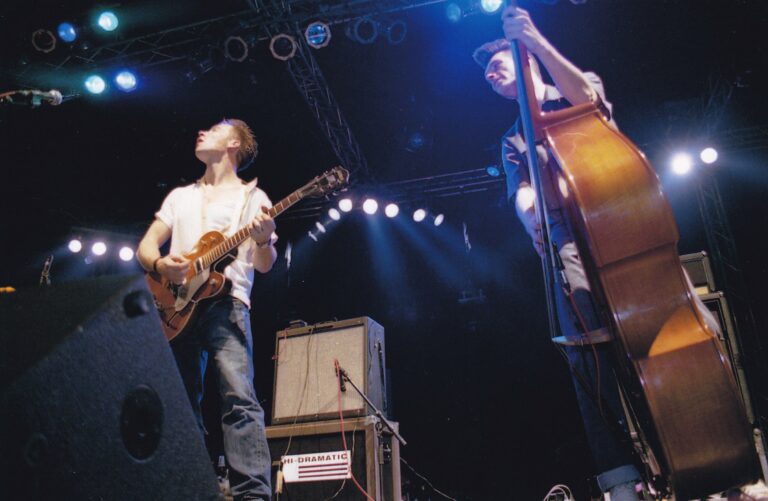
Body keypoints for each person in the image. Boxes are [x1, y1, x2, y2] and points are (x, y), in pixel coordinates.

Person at [473, 6, 644, 501]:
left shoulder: (572, 84)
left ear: (526, 58)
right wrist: (534, 221)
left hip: (620, 224)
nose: (488, 73)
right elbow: (522, 194)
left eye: (497, 60)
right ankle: (621, 481)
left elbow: (590, 100)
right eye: (485, 72)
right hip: (564, 237)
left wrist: (534, 37)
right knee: (585, 355)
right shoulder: (511, 139)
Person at [137, 118, 277, 501]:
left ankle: (252, 494)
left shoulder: (254, 198)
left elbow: (264, 263)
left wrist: (264, 240)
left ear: (233, 143)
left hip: (227, 306)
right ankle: (193, 488)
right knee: (181, 404)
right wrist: (161, 266)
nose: (200, 131)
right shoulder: (180, 197)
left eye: (213, 129)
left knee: (237, 397)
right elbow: (147, 247)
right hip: (177, 308)